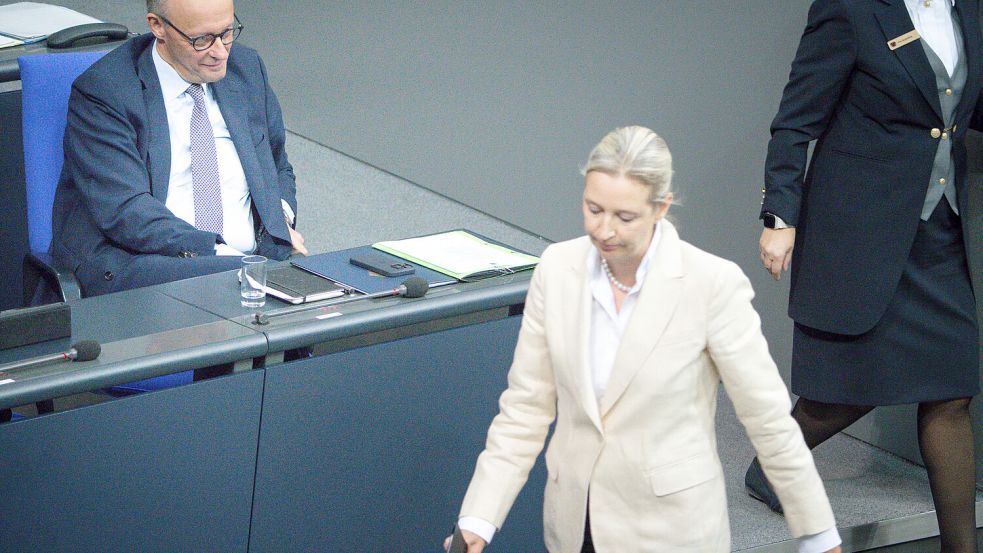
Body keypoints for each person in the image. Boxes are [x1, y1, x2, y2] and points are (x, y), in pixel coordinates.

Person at [446, 127, 842, 553]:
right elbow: (524, 409)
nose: (604, 230)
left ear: (661, 207)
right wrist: (478, 520)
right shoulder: (557, 270)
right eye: (593, 208)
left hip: (671, 532)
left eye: (625, 217)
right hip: (574, 524)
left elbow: (768, 421)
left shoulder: (711, 285)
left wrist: (817, 534)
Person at [752, 2, 981, 552]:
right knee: (842, 397)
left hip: (940, 234)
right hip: (861, 228)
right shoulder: (852, 9)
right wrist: (781, 216)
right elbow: (796, 120)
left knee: (951, 395)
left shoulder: (971, 8)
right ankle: (773, 465)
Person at [49, 0, 307, 298]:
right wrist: (220, 254)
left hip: (256, 261)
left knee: (339, 296)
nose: (220, 51)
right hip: (146, 259)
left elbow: (277, 165)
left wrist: (280, 219)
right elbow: (126, 211)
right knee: (248, 291)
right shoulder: (106, 91)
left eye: (226, 33)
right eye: (202, 40)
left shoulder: (246, 69)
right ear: (157, 26)